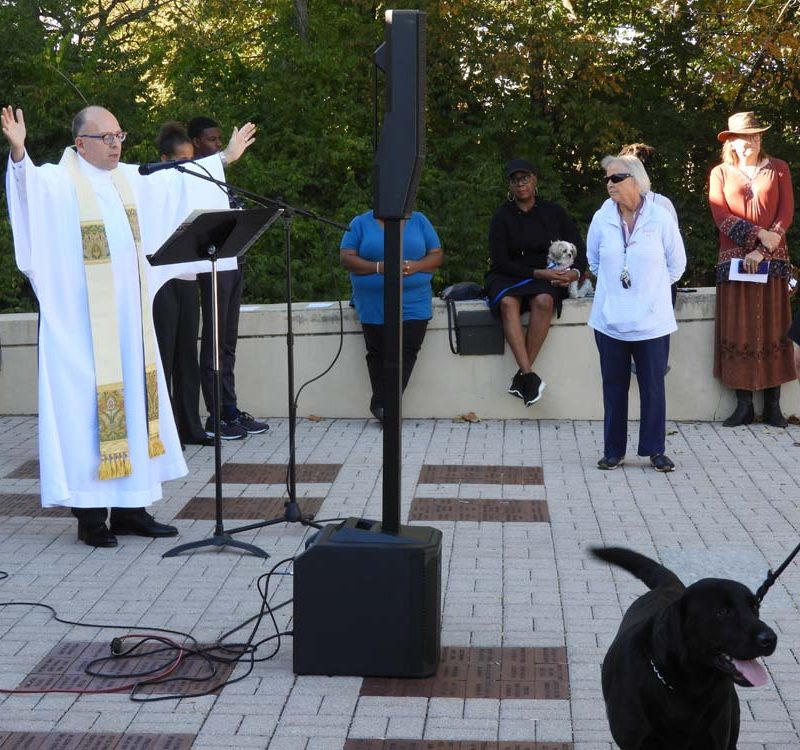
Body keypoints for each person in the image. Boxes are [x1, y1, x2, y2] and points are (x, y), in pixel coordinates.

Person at [2, 104, 255, 547]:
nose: (116, 144)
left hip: (130, 327)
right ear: (81, 143)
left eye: (119, 135)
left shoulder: (130, 180)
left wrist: (224, 158)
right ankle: (91, 518)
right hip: (83, 334)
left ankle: (131, 510)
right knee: (87, 419)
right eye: (106, 137)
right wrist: (20, 153)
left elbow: (178, 182)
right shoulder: (58, 182)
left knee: (136, 409)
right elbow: (27, 194)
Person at [587, 154, 686, 472]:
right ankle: (613, 451)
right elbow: (594, 262)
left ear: (636, 180)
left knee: (653, 387)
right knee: (613, 386)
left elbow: (677, 266)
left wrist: (649, 293)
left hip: (652, 322)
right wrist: (619, 290)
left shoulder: (660, 217)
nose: (609, 184)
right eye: (606, 178)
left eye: (616, 178)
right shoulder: (601, 218)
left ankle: (655, 450)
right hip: (610, 320)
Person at [709, 111, 795, 428]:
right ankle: (743, 406)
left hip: (772, 262)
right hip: (733, 264)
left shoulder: (779, 168)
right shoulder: (720, 173)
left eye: (757, 135)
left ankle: (773, 406)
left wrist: (763, 250)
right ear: (732, 142)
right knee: (738, 328)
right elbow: (721, 216)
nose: (753, 140)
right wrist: (758, 235)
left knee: (775, 326)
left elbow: (786, 213)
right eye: (746, 137)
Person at [189, 115, 268, 440]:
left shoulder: (216, 175)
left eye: (219, 139)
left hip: (234, 261)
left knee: (228, 340)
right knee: (215, 340)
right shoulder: (190, 172)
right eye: (211, 139)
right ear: (195, 142)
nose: (217, 144)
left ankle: (231, 408)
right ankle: (216, 416)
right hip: (213, 264)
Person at [485, 159, 587, 406]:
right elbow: (500, 261)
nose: (520, 184)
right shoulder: (501, 217)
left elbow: (580, 250)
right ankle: (529, 375)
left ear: (535, 179)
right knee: (507, 303)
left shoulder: (553, 212)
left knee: (544, 301)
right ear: (510, 185)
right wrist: (539, 274)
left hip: (548, 274)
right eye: (515, 180)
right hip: (509, 274)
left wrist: (574, 273)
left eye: (525, 178)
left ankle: (523, 377)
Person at [340, 210, 443, 424]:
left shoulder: (419, 220)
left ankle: (383, 405)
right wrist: (379, 267)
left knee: (407, 349)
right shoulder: (360, 222)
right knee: (378, 352)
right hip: (373, 302)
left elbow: (436, 255)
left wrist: (416, 266)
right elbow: (346, 258)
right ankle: (386, 408)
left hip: (414, 301)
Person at [151, 122, 212, 448]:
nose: (188, 167)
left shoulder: (194, 187)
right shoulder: (152, 185)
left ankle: (190, 426)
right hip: (161, 279)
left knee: (188, 354)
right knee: (164, 354)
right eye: (181, 161)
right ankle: (162, 430)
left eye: (192, 160)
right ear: (164, 159)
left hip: (187, 277)